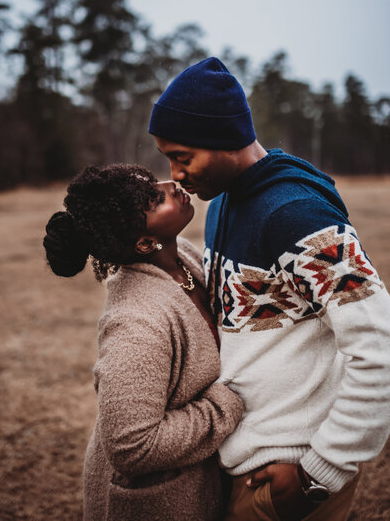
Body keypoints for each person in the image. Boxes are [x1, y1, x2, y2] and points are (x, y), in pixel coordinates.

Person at [149, 57, 390, 521]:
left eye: (183, 156)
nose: (175, 173)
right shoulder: (222, 203)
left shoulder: (296, 214)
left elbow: (379, 346)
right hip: (243, 455)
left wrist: (319, 473)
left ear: (223, 141)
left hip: (288, 473)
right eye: (169, 158)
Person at [43, 163, 244, 521]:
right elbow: (133, 446)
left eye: (153, 183)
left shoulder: (180, 255)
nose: (172, 185)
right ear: (145, 242)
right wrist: (228, 402)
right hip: (159, 504)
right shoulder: (136, 321)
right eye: (154, 199)